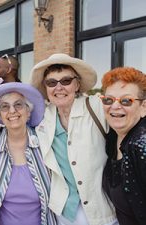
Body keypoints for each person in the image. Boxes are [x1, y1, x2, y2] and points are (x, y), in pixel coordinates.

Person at [30, 53, 117, 225]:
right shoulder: (42, 117)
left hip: (101, 209)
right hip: (64, 211)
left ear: (77, 84)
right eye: (51, 83)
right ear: (46, 88)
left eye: (66, 81)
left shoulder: (96, 106)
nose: (59, 87)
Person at [0, 82, 57, 225]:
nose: (12, 111)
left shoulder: (46, 142)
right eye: (5, 107)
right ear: (0, 115)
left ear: (28, 112)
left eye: (18, 105)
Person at [100, 67, 146, 225]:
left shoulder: (142, 143)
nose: (115, 106)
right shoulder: (112, 138)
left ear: (143, 107)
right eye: (108, 100)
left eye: (126, 100)